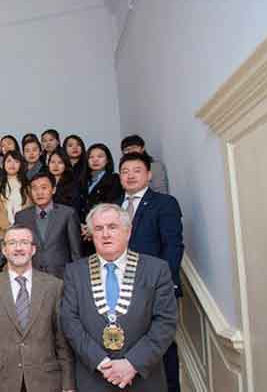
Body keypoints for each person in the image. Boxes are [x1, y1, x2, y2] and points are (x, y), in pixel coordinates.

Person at [60, 203, 177, 392]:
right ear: (92, 235)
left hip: (143, 379)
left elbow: (166, 322)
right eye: (98, 228)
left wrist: (132, 363)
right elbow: (69, 321)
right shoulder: (75, 272)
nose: (105, 234)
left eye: (112, 227)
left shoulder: (156, 270)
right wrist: (102, 362)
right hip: (94, 378)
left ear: (128, 232)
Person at [0, 225, 75, 392]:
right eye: (12, 243)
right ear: (4, 250)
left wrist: (68, 384)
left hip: (46, 382)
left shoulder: (54, 286)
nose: (18, 248)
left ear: (33, 249)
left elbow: (62, 341)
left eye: (24, 242)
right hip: (3, 382)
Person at [117, 152, 184, 392]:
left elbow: (173, 246)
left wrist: (162, 283)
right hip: (120, 289)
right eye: (125, 171)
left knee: (160, 346)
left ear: (149, 175)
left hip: (155, 288)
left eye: (136, 170)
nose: (130, 175)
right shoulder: (114, 207)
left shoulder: (164, 203)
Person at [0, 172, 81, 280]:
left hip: (61, 277)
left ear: (53, 189)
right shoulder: (22, 216)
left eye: (44, 188)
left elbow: (76, 252)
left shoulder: (67, 214)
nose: (39, 192)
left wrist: (78, 280)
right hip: (32, 277)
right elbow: (10, 243)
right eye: (35, 189)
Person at [0, 150, 30, 239]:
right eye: (9, 161)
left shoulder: (27, 187)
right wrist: (9, 228)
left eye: (16, 161)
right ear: (3, 164)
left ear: (21, 165)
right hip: (5, 233)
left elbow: (29, 209)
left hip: (25, 232)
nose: (12, 164)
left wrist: (21, 228)